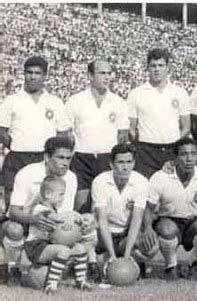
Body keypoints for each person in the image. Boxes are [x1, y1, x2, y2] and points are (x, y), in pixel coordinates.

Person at [2, 137, 77, 285]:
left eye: (68, 158)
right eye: (60, 157)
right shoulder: (27, 173)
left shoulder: (71, 178)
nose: (65, 163)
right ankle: (13, 268)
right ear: (47, 157)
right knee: (13, 229)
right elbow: (14, 211)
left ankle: (76, 269)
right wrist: (34, 219)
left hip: (52, 225)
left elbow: (66, 212)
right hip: (25, 222)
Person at [0, 56, 72, 210]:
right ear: (24, 74)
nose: (33, 77)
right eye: (29, 72)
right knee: (13, 202)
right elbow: (1, 131)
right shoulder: (12, 100)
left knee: (45, 199)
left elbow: (62, 133)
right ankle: (13, 233)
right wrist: (15, 144)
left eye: (37, 73)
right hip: (18, 157)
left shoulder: (55, 102)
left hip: (44, 157)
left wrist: (52, 153)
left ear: (45, 76)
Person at [144, 137, 197, 280]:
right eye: (184, 154)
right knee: (166, 229)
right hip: (169, 220)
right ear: (175, 157)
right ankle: (170, 266)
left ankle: (193, 264)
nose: (189, 159)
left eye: (193, 154)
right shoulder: (161, 177)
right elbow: (148, 209)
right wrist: (147, 228)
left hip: (193, 222)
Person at [66, 60, 129, 213]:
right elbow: (67, 132)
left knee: (105, 204)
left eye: (109, 73)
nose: (107, 77)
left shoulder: (118, 102)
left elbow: (123, 134)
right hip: (82, 158)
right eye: (102, 73)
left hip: (107, 158)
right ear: (90, 75)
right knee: (81, 204)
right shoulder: (75, 101)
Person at [92, 143, 158, 275]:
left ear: (133, 163)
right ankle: (99, 259)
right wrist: (112, 256)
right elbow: (102, 220)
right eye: (120, 162)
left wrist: (127, 255)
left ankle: (129, 257)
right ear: (111, 164)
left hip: (124, 234)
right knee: (90, 234)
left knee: (152, 248)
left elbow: (137, 219)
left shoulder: (141, 182)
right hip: (103, 233)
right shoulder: (100, 181)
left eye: (129, 162)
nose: (125, 167)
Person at [127, 48, 190, 178]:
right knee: (146, 191)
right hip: (146, 152)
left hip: (171, 150)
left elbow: (186, 126)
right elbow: (131, 128)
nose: (157, 69)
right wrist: (142, 145)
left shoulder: (180, 93)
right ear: (147, 68)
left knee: (171, 191)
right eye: (153, 66)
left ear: (168, 68)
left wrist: (175, 144)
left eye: (161, 65)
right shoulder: (136, 93)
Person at [24, 175, 91, 294]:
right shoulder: (39, 208)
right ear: (48, 194)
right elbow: (56, 218)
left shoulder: (56, 209)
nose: (63, 197)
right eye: (61, 194)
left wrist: (75, 216)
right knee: (63, 251)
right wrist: (73, 215)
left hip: (50, 244)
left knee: (80, 248)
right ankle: (51, 284)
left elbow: (62, 218)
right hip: (36, 247)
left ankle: (81, 280)